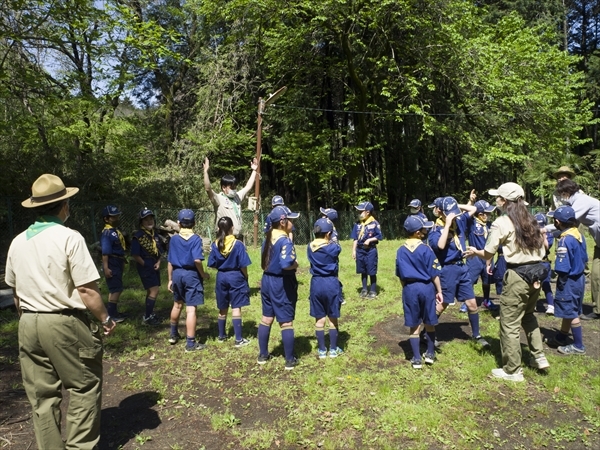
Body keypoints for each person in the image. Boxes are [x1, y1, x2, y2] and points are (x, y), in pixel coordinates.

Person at [5, 174, 116, 449]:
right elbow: (87, 291)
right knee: (84, 385)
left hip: (28, 322)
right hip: (63, 321)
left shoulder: (18, 242)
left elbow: (16, 292)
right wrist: (105, 317)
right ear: (63, 205)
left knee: (41, 395)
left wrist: (28, 318)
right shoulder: (69, 237)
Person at [465, 182, 549, 382]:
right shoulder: (532, 220)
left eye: (497, 197)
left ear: (504, 201)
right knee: (528, 316)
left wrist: (475, 251)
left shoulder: (501, 222)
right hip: (537, 274)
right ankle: (538, 356)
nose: (495, 200)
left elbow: (488, 252)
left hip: (517, 275)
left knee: (509, 323)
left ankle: (513, 370)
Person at [428, 196, 489, 348]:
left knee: (472, 304)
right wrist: (447, 224)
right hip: (446, 270)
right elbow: (440, 246)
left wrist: (455, 206)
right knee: (443, 303)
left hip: (462, 268)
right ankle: (427, 333)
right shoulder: (435, 230)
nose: (454, 216)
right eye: (450, 213)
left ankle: (476, 335)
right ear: (440, 212)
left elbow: (473, 209)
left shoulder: (459, 222)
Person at [396, 216, 443, 369]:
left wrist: (407, 287)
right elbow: (434, 273)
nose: (425, 231)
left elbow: (400, 275)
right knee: (429, 322)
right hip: (426, 287)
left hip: (410, 288)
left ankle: (416, 358)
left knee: (414, 324)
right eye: (423, 229)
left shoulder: (401, 250)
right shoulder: (426, 249)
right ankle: (430, 353)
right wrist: (439, 290)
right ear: (417, 233)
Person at [258, 205, 300, 370]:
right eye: (290, 220)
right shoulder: (285, 241)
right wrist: (295, 265)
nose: (292, 223)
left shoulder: (268, 238)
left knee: (266, 318)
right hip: (281, 283)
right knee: (286, 321)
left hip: (267, 281)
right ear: (282, 222)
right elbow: (286, 264)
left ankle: (263, 355)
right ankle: (289, 360)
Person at [553, 179, 599, 321]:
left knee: (597, 275)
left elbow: (567, 222)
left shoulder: (582, 201)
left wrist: (542, 229)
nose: (560, 197)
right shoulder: (574, 201)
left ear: (566, 193)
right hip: (599, 244)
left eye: (561, 194)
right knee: (596, 276)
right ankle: (598, 309)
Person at [545, 206, 588, 355]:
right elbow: (584, 258)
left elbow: (562, 267)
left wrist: (560, 283)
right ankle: (562, 336)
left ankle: (578, 345)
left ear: (557, 221)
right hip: (580, 278)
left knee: (571, 312)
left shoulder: (565, 241)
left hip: (568, 280)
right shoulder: (578, 235)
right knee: (570, 310)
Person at [167, 209, 210, 351]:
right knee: (191, 309)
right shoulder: (196, 239)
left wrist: (170, 279)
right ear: (194, 223)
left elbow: (170, 262)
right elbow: (197, 260)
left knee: (177, 305)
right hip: (191, 275)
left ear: (178, 224)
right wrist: (203, 274)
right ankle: (190, 343)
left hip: (177, 274)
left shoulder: (173, 239)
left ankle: (173, 334)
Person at [208, 216, 252, 347]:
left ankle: (221, 335)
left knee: (223, 307)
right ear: (232, 228)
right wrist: (246, 276)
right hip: (236, 276)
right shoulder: (237, 244)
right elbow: (243, 265)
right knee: (236, 307)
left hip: (221, 277)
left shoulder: (215, 244)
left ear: (218, 229)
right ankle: (238, 339)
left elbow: (212, 263)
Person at [307, 218, 344, 358]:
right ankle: (333, 349)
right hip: (331, 283)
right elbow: (337, 247)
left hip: (316, 283)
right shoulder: (333, 248)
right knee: (332, 318)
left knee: (319, 318)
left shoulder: (309, 247)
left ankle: (322, 350)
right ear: (328, 234)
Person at [203, 157, 258, 240]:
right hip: (224, 238)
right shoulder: (218, 199)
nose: (234, 189)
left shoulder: (237, 197)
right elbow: (208, 189)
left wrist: (254, 171)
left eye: (235, 186)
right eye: (231, 187)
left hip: (238, 237)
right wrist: (205, 172)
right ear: (224, 187)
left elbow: (248, 186)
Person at [464, 199, 499, 312]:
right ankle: (467, 302)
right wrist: (470, 202)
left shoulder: (490, 225)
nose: (489, 215)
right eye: (487, 213)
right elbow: (463, 214)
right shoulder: (471, 224)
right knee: (470, 280)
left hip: (488, 256)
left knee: (487, 280)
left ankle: (486, 300)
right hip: (474, 257)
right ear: (480, 214)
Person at [131, 208, 163, 326]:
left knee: (151, 291)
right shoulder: (139, 236)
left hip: (155, 263)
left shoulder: (155, 235)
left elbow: (160, 251)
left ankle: (148, 313)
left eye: (151, 219)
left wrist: (159, 262)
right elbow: (135, 254)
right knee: (154, 290)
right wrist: (145, 264)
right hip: (145, 264)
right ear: (141, 222)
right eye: (146, 220)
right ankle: (147, 317)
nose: (149, 222)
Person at [101, 205, 127, 322]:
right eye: (113, 217)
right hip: (112, 261)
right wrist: (106, 267)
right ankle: (111, 315)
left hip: (118, 260)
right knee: (115, 288)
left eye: (117, 216)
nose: (116, 218)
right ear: (106, 219)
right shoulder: (107, 233)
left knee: (117, 288)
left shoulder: (114, 231)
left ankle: (113, 311)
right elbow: (105, 252)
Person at [351, 201, 383, 299]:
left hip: (370, 250)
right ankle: (364, 289)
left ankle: (373, 290)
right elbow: (355, 238)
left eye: (361, 211)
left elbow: (379, 236)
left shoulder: (374, 223)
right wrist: (354, 250)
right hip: (360, 250)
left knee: (371, 270)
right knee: (363, 270)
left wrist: (370, 240)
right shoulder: (357, 224)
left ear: (367, 212)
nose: (359, 213)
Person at [535, 213, 555, 315]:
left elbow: (546, 247)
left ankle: (551, 305)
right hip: (534, 262)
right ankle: (533, 303)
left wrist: (543, 234)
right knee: (534, 283)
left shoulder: (549, 234)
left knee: (546, 284)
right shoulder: (531, 232)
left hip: (544, 262)